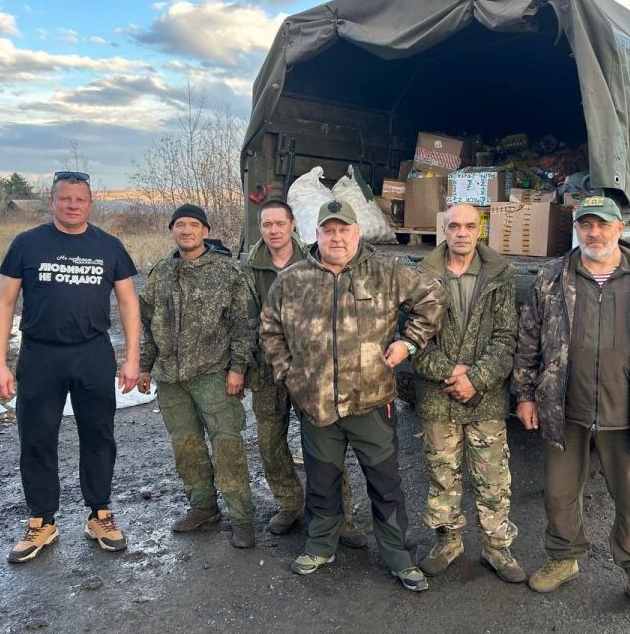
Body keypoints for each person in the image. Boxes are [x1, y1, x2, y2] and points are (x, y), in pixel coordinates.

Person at [512, 195, 630, 622]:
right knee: (559, 494)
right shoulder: (552, 278)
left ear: (620, 227)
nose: (593, 233)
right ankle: (564, 557)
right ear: (576, 228)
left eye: (602, 225)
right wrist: (524, 394)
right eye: (585, 225)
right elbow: (528, 342)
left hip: (629, 412)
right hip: (565, 408)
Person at [260, 200, 446, 592]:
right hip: (317, 407)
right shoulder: (293, 280)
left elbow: (432, 299)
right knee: (322, 482)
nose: (337, 237)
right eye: (329, 230)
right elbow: (270, 328)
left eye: (344, 229)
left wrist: (407, 344)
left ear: (357, 233)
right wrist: (290, 373)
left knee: (386, 484)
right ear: (316, 235)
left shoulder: (386, 272)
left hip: (371, 403)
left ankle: (398, 556)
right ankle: (319, 546)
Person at [0, 171, 140, 563]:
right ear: (51, 200)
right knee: (37, 438)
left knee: (99, 436)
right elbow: (4, 303)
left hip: (92, 353)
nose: (72, 205)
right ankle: (42, 521)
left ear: (91, 203)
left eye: (80, 199)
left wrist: (133, 359)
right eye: (64, 198)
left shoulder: (109, 246)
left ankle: (100, 514)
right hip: (41, 355)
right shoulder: (27, 244)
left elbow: (128, 303)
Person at [410, 204, 524, 583]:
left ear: (480, 230)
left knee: (493, 475)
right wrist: (450, 372)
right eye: (454, 225)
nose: (461, 232)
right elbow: (413, 336)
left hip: (485, 396)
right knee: (442, 474)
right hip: (437, 397)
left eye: (470, 226)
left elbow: (507, 335)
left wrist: (476, 378)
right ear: (444, 229)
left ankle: (496, 546)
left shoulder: (500, 274)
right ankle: (448, 541)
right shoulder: (423, 275)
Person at [243, 200, 366, 546]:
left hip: (314, 369)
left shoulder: (314, 259)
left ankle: (341, 516)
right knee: (270, 441)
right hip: (267, 367)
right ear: (261, 228)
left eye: (280, 223)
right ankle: (290, 505)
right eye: (267, 225)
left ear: (293, 225)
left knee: (326, 442)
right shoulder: (249, 267)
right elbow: (245, 319)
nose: (274, 231)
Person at [137, 204, 257, 548]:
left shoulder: (227, 271)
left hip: (214, 374)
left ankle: (241, 517)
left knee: (227, 446)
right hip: (171, 380)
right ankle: (203, 506)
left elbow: (244, 325)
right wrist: (145, 366)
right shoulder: (160, 272)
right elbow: (147, 327)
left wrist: (238, 369)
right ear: (172, 230)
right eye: (179, 225)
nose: (186, 230)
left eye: (193, 225)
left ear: (205, 230)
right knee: (186, 447)